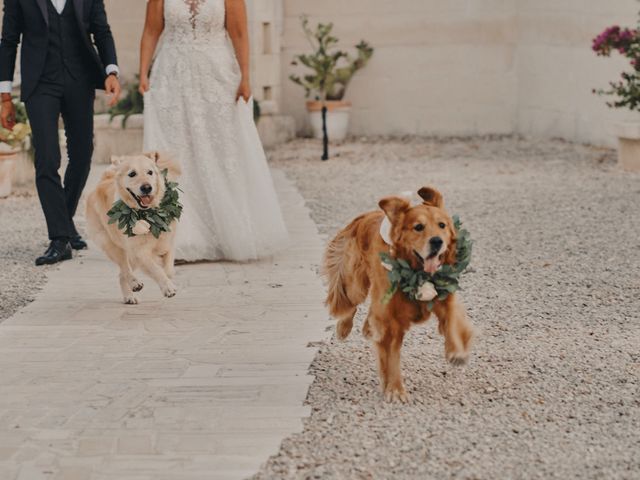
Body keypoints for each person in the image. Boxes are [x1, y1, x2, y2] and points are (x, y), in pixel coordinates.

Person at [139, 0, 288, 262]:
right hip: (171, 77)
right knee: (175, 153)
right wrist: (142, 73)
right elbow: (152, 30)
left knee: (222, 152)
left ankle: (228, 233)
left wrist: (245, 77)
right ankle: (180, 237)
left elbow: (239, 33)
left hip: (216, 77)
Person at [0, 0, 122, 265]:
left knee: (82, 154)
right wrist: (4, 94)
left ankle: (64, 224)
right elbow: (9, 40)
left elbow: (102, 31)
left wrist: (111, 70)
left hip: (80, 79)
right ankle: (59, 238)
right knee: (47, 158)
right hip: (40, 82)